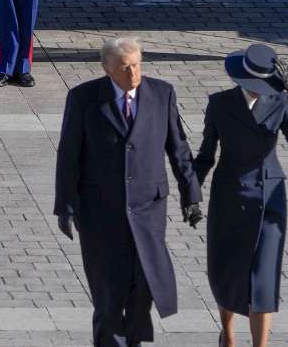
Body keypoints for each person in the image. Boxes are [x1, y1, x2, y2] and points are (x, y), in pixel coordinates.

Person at [54, 38, 202, 347]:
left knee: (144, 286)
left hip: (148, 209)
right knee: (108, 292)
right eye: (125, 68)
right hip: (100, 213)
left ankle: (132, 341)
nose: (133, 74)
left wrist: (191, 195)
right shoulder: (84, 98)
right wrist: (65, 206)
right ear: (107, 68)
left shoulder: (162, 94)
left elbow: (179, 149)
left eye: (137, 65)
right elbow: (69, 155)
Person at [193, 44, 288, 347]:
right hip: (230, 195)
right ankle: (228, 336)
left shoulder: (280, 100)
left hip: (269, 198)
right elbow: (206, 154)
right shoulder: (219, 104)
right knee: (227, 270)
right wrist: (191, 193)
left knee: (264, 276)